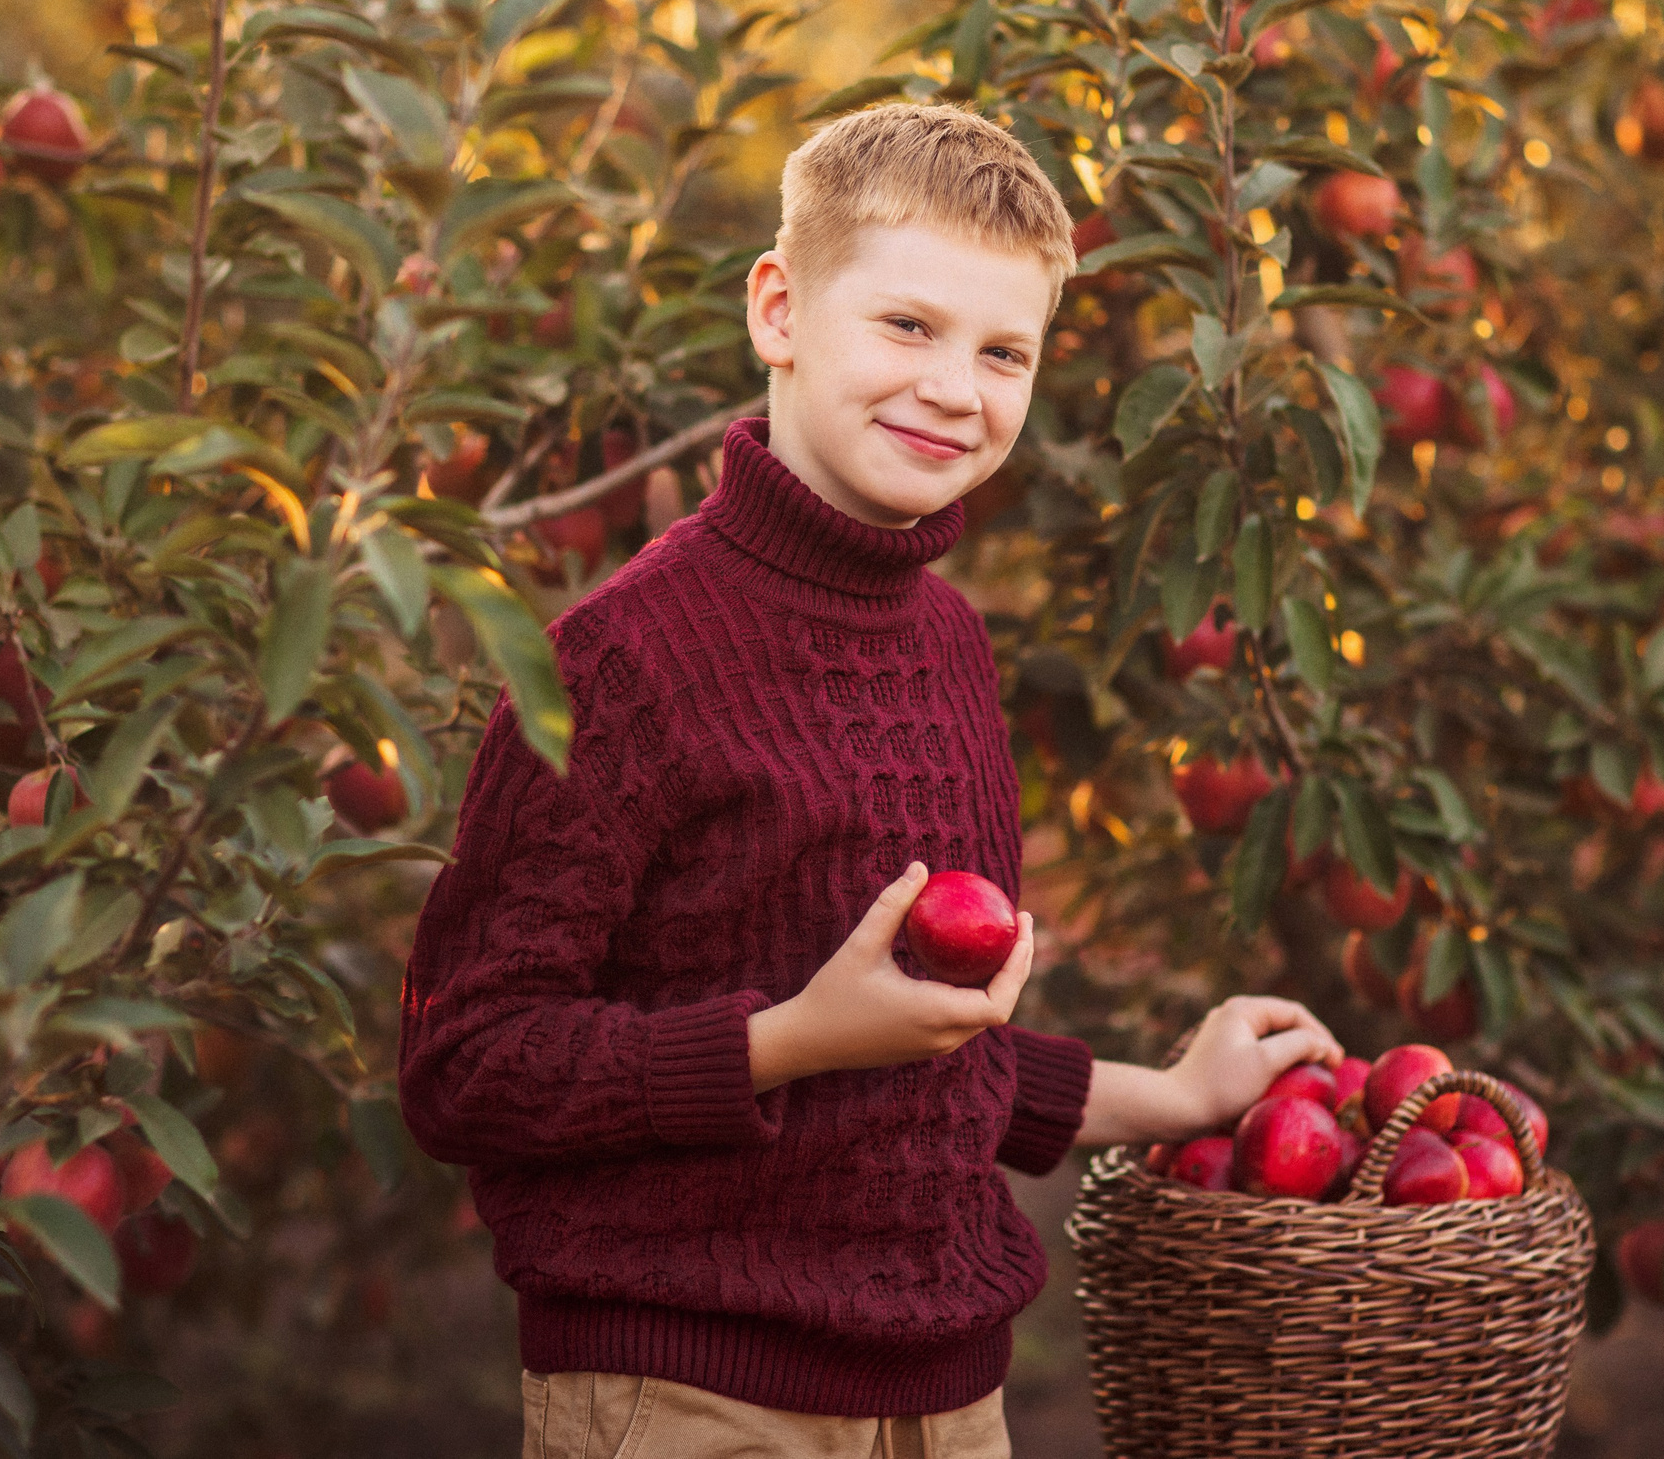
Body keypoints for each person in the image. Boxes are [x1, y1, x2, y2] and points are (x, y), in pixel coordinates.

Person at [398, 101, 1343, 1459]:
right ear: (779, 310)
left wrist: (1176, 1093)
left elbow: (917, 1060)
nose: (958, 388)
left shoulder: (949, 645)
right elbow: (465, 1065)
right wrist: (786, 1040)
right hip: (693, 1395)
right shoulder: (621, 662)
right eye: (908, 326)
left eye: (1003, 351)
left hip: (950, 1400)